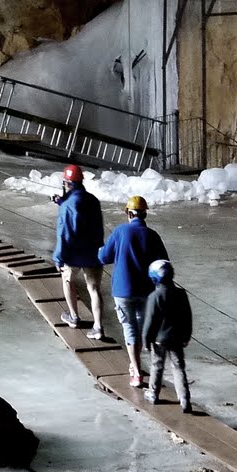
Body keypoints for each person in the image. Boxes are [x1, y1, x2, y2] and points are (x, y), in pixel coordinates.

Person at [98, 194, 169, 387]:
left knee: (130, 328)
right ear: (145, 214)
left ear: (128, 213)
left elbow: (104, 257)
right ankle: (149, 369)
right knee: (144, 327)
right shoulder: (153, 236)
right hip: (147, 291)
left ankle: (136, 373)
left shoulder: (120, 231)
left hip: (123, 290)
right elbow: (163, 264)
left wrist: (100, 251)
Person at [51, 164, 107, 337]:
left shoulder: (67, 206)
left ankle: (74, 317)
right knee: (94, 289)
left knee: (68, 281)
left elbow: (64, 234)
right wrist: (62, 202)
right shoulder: (93, 201)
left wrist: (58, 258)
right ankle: (98, 327)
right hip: (93, 253)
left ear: (67, 183)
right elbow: (83, 215)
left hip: (72, 254)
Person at [140, 259, 193, 412]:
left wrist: (146, 340)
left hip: (159, 339)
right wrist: (187, 335)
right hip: (177, 338)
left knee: (157, 365)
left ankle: (153, 393)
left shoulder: (154, 296)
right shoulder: (181, 294)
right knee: (178, 367)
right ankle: (184, 399)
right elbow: (187, 316)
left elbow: (149, 321)